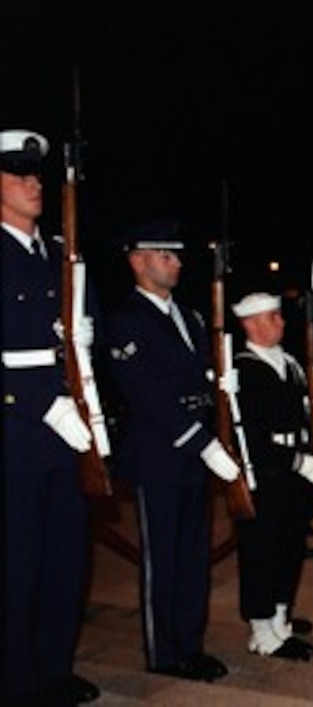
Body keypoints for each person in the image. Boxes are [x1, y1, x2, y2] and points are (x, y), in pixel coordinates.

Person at [105, 218, 234, 683]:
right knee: (163, 558)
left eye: (177, 255)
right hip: (161, 454)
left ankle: (191, 644)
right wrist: (203, 442)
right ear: (139, 261)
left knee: (193, 555)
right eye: (167, 255)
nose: (178, 262)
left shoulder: (191, 317)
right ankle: (165, 652)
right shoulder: (124, 320)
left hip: (197, 454)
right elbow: (146, 393)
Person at [3, 129, 103, 704]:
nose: (32, 184)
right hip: (17, 430)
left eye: (36, 175)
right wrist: (42, 402)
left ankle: (53, 665)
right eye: (18, 175)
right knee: (19, 562)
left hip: (70, 431)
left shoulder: (60, 253)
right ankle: (16, 681)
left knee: (66, 554)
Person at [231, 292, 313, 661]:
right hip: (267, 474)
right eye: (272, 318)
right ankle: (261, 629)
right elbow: (250, 437)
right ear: (250, 324)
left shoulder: (288, 363)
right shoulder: (242, 368)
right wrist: (299, 462)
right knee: (261, 551)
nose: (281, 323)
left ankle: (279, 617)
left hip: (292, 475)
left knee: (289, 547)